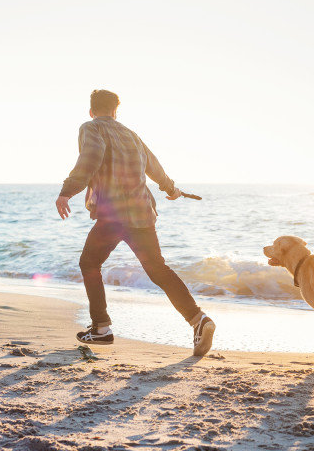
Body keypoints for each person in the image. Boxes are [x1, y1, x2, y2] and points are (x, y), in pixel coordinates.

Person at [55, 89, 215, 356]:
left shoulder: (90, 128)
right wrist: (171, 188)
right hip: (141, 213)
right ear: (116, 111)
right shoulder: (131, 134)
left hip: (113, 214)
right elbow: (154, 166)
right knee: (158, 269)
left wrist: (67, 190)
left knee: (89, 263)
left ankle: (101, 328)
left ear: (91, 110)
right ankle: (199, 320)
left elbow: (91, 157)